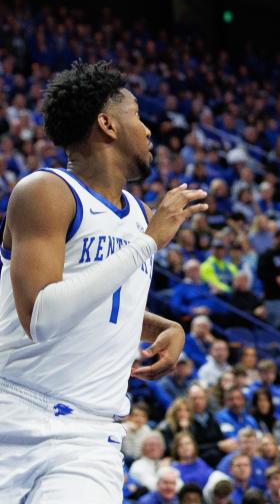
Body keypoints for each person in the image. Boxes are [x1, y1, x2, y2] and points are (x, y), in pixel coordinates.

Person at [0, 60, 207, 501]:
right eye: (137, 114)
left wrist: (164, 326)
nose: (149, 130)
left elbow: (106, 298)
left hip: (92, 437)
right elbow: (43, 315)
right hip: (14, 411)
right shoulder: (45, 192)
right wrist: (148, 243)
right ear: (107, 124)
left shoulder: (137, 214)